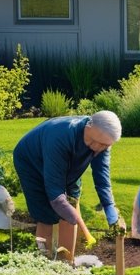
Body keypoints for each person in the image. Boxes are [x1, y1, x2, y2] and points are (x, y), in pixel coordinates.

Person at [13, 110, 124, 258]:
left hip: (67, 163)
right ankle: (43, 261)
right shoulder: (60, 136)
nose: (99, 148)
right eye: (95, 142)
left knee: (70, 207)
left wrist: (110, 210)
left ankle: (66, 263)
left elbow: (102, 178)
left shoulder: (102, 141)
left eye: (105, 145)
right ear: (89, 126)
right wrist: (72, 215)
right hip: (32, 162)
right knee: (45, 215)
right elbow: (55, 192)